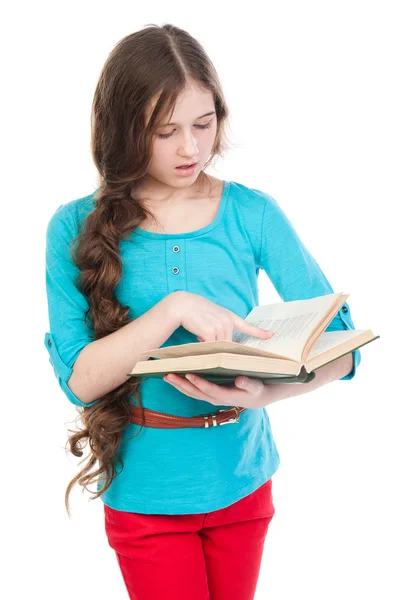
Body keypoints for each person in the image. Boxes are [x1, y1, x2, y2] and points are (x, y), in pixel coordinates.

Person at [44, 23, 361, 600]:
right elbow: (81, 380)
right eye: (164, 132)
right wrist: (174, 309)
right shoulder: (72, 226)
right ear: (122, 129)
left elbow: (341, 346)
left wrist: (265, 395)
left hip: (242, 479)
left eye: (203, 124)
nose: (189, 148)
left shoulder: (252, 212)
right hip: (145, 493)